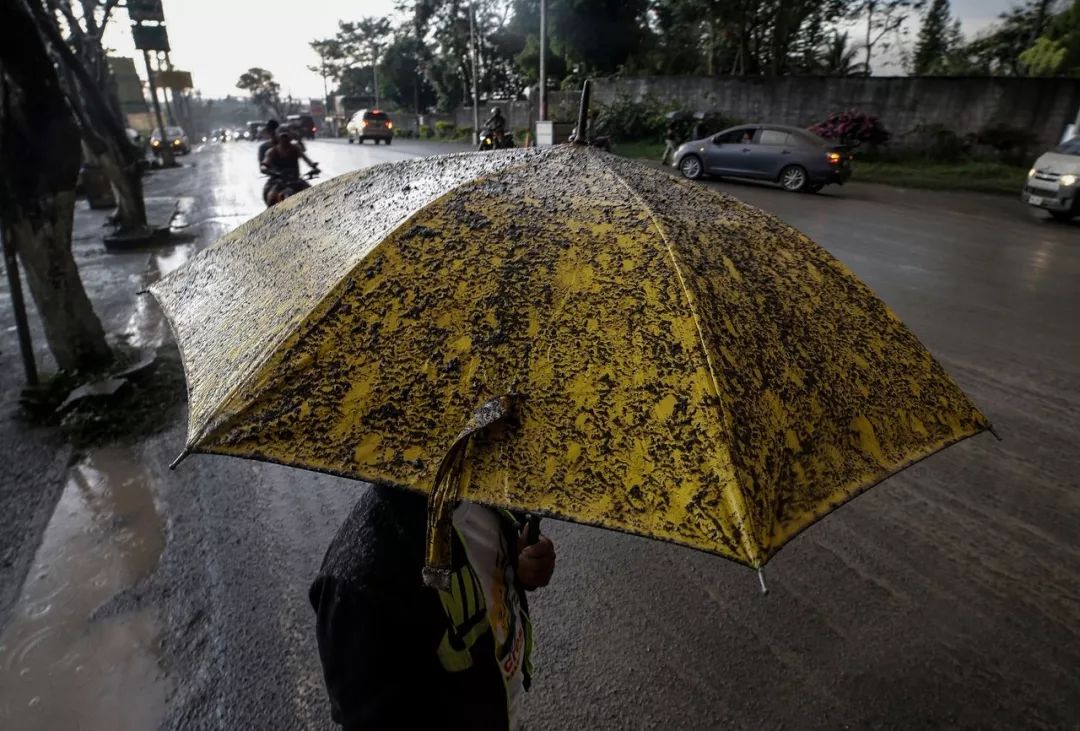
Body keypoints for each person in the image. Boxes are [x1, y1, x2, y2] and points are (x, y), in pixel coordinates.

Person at [310, 484, 556, 730]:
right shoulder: (358, 583)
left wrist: (525, 564)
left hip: (503, 707)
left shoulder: (485, 481)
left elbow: (504, 554)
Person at [261, 131, 319, 205]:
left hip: (295, 179)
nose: (285, 142)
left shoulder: (295, 149)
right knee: (271, 197)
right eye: (283, 140)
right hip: (278, 180)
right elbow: (265, 162)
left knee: (312, 193)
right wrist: (266, 169)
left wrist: (313, 166)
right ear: (279, 140)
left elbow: (306, 158)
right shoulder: (272, 151)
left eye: (286, 140)